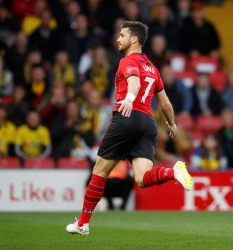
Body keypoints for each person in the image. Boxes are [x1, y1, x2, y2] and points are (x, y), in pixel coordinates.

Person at [66, 21, 193, 236]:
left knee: (99, 171)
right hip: (148, 123)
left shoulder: (127, 61)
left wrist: (129, 98)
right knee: (142, 178)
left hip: (127, 117)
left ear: (134, 39)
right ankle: (173, 172)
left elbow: (133, 82)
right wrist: (172, 124)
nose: (118, 38)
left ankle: (83, 224)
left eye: (122, 35)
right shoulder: (153, 68)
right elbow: (165, 103)